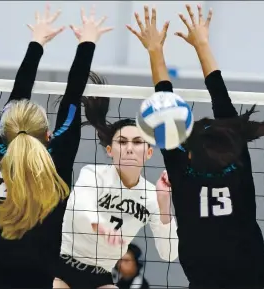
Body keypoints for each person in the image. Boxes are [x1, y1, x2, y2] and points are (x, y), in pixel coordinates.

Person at [127, 4, 264, 289]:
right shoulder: (237, 165)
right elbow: (218, 99)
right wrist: (202, 44)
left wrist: (155, 50)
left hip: (203, 278)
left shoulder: (184, 174)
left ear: (189, 151)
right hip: (249, 275)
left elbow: (164, 102)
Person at [0, 5, 112, 288]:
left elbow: (17, 95)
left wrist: (37, 41)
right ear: (48, 135)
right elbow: (72, 97)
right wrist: (87, 41)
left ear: (6, 129)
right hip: (36, 278)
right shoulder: (56, 160)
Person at [53, 73, 178, 289]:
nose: (130, 147)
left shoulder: (151, 195)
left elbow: (169, 254)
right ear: (110, 151)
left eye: (138, 142)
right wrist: (102, 227)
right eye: (122, 141)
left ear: (148, 152)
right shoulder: (93, 174)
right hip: (63, 264)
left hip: (101, 274)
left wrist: (165, 204)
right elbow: (80, 210)